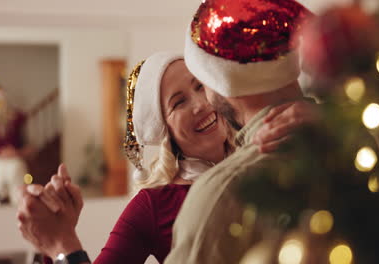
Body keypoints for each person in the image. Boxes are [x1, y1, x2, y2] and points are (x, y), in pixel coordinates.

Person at [17, 52, 316, 263]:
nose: (201, 104)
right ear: (165, 131)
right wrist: (60, 243)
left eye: (201, 86)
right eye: (179, 102)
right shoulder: (153, 205)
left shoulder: (269, 145)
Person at [164, 0, 315, 263]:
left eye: (202, 85)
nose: (203, 104)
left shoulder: (223, 195)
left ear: (223, 85)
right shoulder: (363, 142)